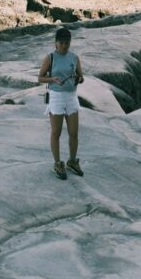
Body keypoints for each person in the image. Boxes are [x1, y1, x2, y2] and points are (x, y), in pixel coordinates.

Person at [38, 26, 85, 180]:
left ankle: (72, 161)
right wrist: (52, 79)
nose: (65, 46)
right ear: (56, 43)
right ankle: (58, 163)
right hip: (56, 96)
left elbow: (80, 76)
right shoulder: (50, 57)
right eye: (62, 43)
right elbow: (40, 78)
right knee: (56, 132)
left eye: (67, 43)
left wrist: (79, 78)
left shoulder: (74, 57)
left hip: (71, 96)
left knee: (73, 132)